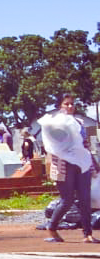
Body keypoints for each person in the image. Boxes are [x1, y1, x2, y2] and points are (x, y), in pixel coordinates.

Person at [40, 95, 97, 243]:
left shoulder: (79, 123)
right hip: (63, 165)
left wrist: (93, 164)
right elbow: (52, 146)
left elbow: (84, 145)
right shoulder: (54, 123)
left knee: (85, 199)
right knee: (67, 199)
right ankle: (52, 227)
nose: (70, 106)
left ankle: (87, 234)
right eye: (67, 104)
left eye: (72, 104)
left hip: (81, 164)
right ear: (61, 106)